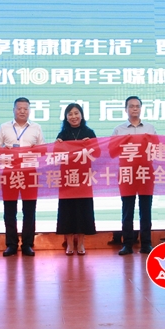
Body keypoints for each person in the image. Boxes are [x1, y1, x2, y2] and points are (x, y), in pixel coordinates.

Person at [0, 97, 45, 257]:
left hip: (30, 173)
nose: (22, 111)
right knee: (9, 210)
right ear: (14, 110)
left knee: (29, 210)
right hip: (9, 172)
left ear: (29, 110)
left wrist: (35, 149)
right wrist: (4, 150)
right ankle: (11, 244)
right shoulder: (4, 127)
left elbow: (43, 151)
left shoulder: (36, 128)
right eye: (19, 108)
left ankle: (27, 244)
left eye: (25, 108)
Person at [111, 96, 157, 255]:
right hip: (127, 173)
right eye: (131, 106)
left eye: (137, 106)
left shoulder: (150, 128)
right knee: (127, 210)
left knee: (146, 210)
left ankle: (146, 244)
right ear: (126, 109)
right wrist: (123, 143)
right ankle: (127, 244)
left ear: (141, 108)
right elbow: (111, 151)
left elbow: (157, 150)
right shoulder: (119, 130)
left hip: (145, 172)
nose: (135, 108)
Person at [55, 103, 98, 255]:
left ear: (81, 115)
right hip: (67, 178)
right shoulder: (63, 134)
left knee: (83, 210)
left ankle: (80, 243)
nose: (73, 116)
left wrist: (91, 144)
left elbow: (98, 153)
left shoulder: (89, 132)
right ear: (66, 117)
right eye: (70, 114)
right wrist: (57, 146)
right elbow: (55, 156)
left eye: (76, 113)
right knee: (67, 210)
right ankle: (69, 244)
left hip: (84, 178)